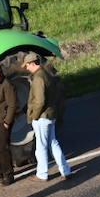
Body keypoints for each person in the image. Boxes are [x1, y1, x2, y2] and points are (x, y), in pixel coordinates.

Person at [25, 51, 73, 180]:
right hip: (51, 115)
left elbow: (40, 101)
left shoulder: (38, 78)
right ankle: (65, 170)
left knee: (41, 147)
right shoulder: (47, 74)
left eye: (27, 65)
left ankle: (42, 174)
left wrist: (34, 116)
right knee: (53, 144)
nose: (26, 68)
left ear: (32, 63)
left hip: (42, 117)